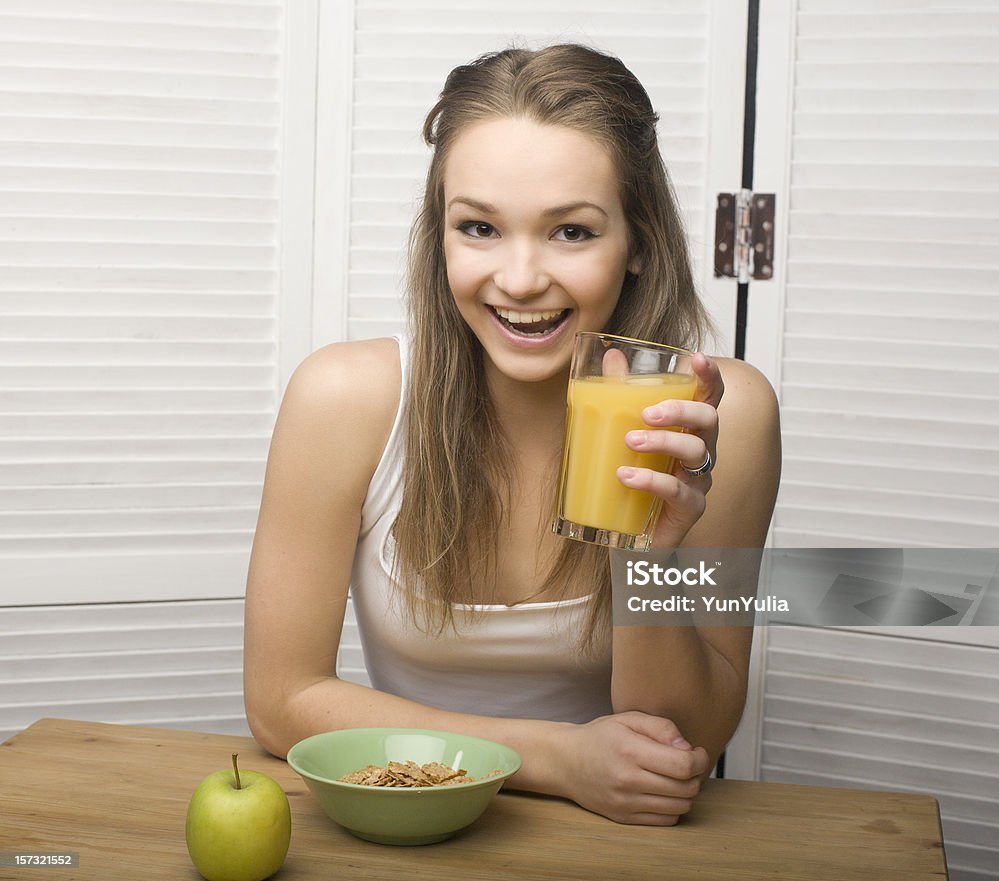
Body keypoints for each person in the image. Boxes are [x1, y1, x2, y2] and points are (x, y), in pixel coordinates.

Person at [244, 43, 781, 826]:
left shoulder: (721, 415)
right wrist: (556, 758)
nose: (522, 278)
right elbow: (280, 698)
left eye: (571, 232)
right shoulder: (345, 400)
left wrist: (648, 557)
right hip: (412, 822)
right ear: (441, 237)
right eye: (480, 227)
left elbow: (689, 739)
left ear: (638, 244)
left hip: (622, 842)